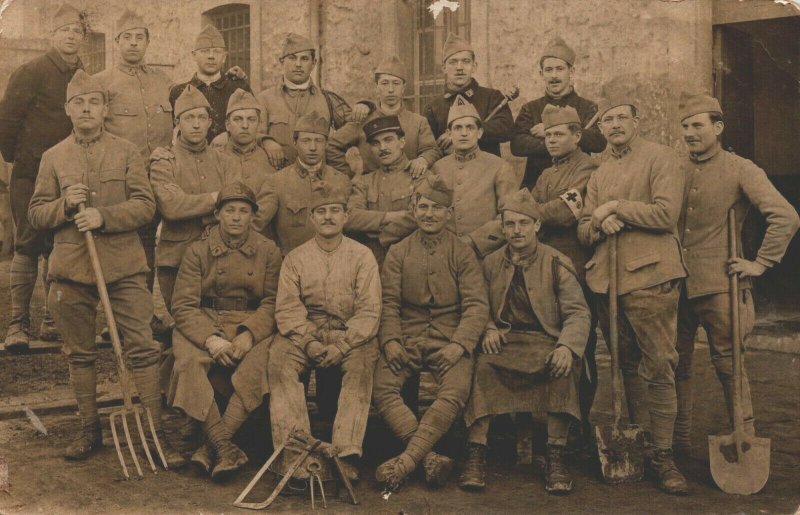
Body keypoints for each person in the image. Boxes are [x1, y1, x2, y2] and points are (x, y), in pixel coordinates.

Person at [27, 70, 183, 467]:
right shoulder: (53, 157)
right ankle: (88, 429)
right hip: (70, 269)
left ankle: (155, 430)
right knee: (80, 354)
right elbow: (35, 214)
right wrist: (63, 205)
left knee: (144, 349)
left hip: (123, 266)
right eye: (78, 103)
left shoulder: (128, 151)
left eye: (93, 102)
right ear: (67, 110)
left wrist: (103, 215)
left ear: (105, 109)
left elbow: (146, 206)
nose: (86, 109)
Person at [673, 94, 799, 454]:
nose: (690, 133)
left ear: (718, 127)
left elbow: (786, 216)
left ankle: (744, 440)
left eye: (697, 125)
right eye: (684, 126)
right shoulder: (675, 168)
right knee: (676, 365)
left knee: (729, 364)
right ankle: (679, 444)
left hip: (721, 285)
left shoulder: (741, 168)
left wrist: (759, 263)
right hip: (676, 286)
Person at [577, 96, 689, 495]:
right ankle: (637, 444)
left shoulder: (662, 158)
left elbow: (665, 214)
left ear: (636, 121)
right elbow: (585, 231)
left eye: (621, 117)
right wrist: (597, 222)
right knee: (623, 367)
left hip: (650, 278)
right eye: (607, 121)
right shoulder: (600, 171)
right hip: (606, 283)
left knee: (659, 367)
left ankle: (664, 456)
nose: (614, 125)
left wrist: (615, 208)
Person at [458, 188, 591, 494]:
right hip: (504, 341)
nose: (516, 231)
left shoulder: (557, 262)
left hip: (546, 340)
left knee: (562, 369)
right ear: (502, 228)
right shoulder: (490, 263)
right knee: (482, 368)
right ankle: (476, 454)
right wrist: (488, 327)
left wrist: (566, 347)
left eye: (522, 223)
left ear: (536, 226)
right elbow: (475, 304)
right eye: (509, 225)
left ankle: (556, 455)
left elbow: (578, 313)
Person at [373, 174, 488, 491]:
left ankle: (405, 462)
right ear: (414, 208)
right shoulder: (398, 251)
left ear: (449, 212)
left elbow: (477, 305)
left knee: (453, 392)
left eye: (437, 208)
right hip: (407, 335)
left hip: (449, 336)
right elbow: (389, 303)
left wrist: (460, 345)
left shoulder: (462, 252)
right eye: (423, 207)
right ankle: (427, 458)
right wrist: (392, 340)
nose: (429, 214)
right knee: (382, 386)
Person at [168, 181, 282, 481]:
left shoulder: (268, 250)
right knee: (189, 363)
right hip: (204, 320)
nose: (236, 217)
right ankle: (225, 446)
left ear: (252, 216)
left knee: (258, 364)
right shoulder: (197, 251)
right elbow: (182, 305)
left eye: (243, 211)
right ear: (217, 214)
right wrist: (210, 339)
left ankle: (211, 446)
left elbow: (272, 302)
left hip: (250, 320)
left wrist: (250, 333)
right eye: (229, 210)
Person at [267, 181, 381, 481]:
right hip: (306, 333)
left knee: (361, 365)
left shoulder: (362, 256)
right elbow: (287, 308)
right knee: (280, 363)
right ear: (312, 218)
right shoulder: (295, 258)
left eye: (335, 211)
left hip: (349, 334)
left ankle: (345, 454)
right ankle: (297, 453)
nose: (328, 217)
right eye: (321, 212)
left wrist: (343, 345)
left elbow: (369, 310)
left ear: (346, 216)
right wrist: (308, 342)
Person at [0, 3, 86, 349]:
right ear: (52, 35)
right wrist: (19, 161)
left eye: (77, 31)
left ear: (82, 38)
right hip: (31, 173)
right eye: (64, 30)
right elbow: (6, 123)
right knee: (27, 244)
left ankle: (51, 320)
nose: (71, 36)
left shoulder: (83, 76)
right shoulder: (31, 71)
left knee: (60, 245)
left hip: (67, 177)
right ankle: (17, 325)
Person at [94, 9, 174, 331]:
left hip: (153, 178)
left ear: (147, 42)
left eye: (139, 37)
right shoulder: (102, 82)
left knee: (145, 248)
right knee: (115, 246)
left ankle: (143, 316)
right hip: (118, 178)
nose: (133, 43)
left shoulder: (162, 81)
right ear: (116, 42)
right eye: (126, 37)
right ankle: (111, 320)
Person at [531, 104, 599, 449]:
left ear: (577, 135)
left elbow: (565, 210)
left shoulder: (588, 167)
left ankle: (580, 424)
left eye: (560, 134)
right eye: (549, 135)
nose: (553, 140)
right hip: (545, 268)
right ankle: (552, 426)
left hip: (575, 266)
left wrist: (530, 215)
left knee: (579, 347)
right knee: (549, 340)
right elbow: (535, 205)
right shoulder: (545, 175)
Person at [150, 85, 232, 310]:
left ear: (209, 122)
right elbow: (172, 208)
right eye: (188, 118)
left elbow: (233, 207)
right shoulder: (164, 161)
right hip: (176, 259)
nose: (196, 124)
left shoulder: (223, 160)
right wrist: (216, 199)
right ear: (177, 123)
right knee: (186, 321)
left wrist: (194, 206)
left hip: (218, 257)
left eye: (201, 117)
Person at [256, 33, 368, 169]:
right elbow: (249, 134)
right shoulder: (263, 99)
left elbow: (356, 128)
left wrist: (365, 106)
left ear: (313, 63)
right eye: (292, 58)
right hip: (277, 180)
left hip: (318, 181)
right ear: (281, 62)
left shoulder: (328, 99)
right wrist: (265, 140)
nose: (298, 64)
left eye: (304, 59)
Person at [511, 36, 605, 188]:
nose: (554, 75)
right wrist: (562, 141)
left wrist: (549, 131)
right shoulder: (530, 108)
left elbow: (598, 141)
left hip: (577, 183)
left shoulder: (587, 107)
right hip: (536, 183)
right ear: (541, 74)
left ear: (571, 71)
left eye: (560, 69)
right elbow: (517, 145)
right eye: (548, 70)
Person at [327, 55, 440, 177]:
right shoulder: (363, 119)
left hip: (408, 187)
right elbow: (332, 146)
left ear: (403, 88)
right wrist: (349, 176)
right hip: (372, 190)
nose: (390, 89)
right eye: (385, 83)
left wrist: (423, 160)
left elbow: (432, 150)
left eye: (396, 83)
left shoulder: (418, 122)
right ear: (377, 87)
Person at [259, 110, 351, 255]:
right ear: (295, 143)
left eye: (318, 141)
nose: (313, 147)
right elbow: (258, 225)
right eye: (306, 141)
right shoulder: (276, 182)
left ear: (326, 144)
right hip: (291, 264)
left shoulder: (341, 180)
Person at [345, 115, 423, 265]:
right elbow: (350, 217)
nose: (382, 148)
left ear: (402, 142)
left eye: (388, 140)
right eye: (375, 143)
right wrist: (389, 217)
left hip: (411, 259)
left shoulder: (418, 176)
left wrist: (380, 235)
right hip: (374, 261)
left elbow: (418, 217)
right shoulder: (365, 181)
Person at [425, 33, 513, 157]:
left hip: (487, 171)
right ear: (444, 68)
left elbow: (506, 130)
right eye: (453, 62)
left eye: (466, 61)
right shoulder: (433, 107)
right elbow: (428, 146)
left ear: (474, 66)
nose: (459, 68)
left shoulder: (492, 97)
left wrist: (458, 134)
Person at [169, 24, 251, 142]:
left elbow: (253, 124)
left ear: (224, 57)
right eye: (205, 51)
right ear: (194, 55)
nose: (211, 56)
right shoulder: (178, 92)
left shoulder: (238, 88)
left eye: (217, 52)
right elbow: (171, 130)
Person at [216, 88, 277, 235]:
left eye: (251, 119)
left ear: (259, 123)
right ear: (227, 125)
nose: (245, 125)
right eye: (238, 119)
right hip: (221, 237)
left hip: (261, 241)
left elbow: (270, 202)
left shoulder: (273, 159)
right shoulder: (214, 158)